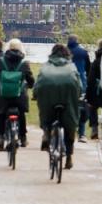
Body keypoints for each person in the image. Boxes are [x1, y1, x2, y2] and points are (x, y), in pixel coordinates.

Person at [33, 42, 83, 170]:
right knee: (70, 124)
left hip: (48, 91)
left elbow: (38, 85)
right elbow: (80, 86)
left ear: (52, 54)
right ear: (67, 54)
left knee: (46, 113)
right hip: (68, 93)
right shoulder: (71, 66)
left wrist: (35, 94)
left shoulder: (46, 66)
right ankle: (69, 157)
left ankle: (46, 132)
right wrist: (79, 95)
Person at [0, 39, 34, 150]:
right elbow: (31, 80)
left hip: (3, 96)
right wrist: (30, 85)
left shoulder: (0, 61)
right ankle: (23, 138)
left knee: (1, 115)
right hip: (19, 96)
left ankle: (1, 138)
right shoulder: (24, 63)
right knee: (21, 114)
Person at [65, 35, 93, 139]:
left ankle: (67, 128)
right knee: (82, 105)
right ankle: (82, 133)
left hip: (66, 81)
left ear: (68, 41)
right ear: (77, 41)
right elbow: (88, 68)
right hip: (81, 82)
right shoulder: (83, 52)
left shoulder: (63, 52)